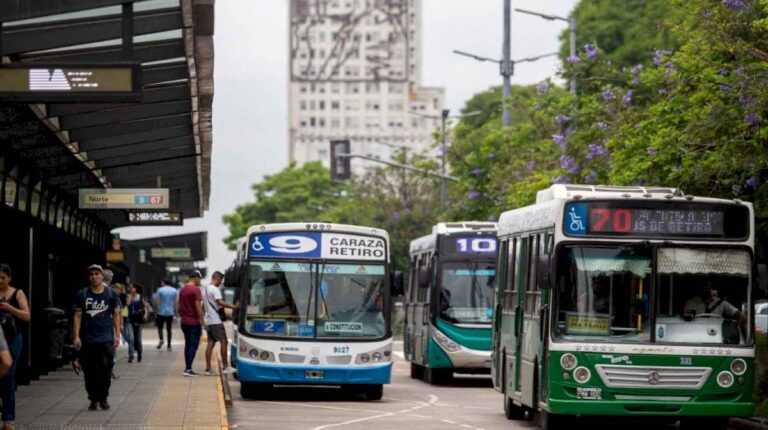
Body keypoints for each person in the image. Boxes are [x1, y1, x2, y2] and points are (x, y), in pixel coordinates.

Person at [73, 265, 121, 411]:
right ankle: (93, 399)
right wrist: (76, 336)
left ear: (102, 276)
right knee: (90, 372)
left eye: (97, 274)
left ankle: (103, 398)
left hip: (106, 338)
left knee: (106, 369)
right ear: (89, 278)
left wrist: (117, 334)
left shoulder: (111, 293)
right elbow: (77, 316)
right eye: (91, 274)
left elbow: (116, 314)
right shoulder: (83, 294)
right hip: (88, 339)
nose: (94, 276)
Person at [0, 264, 29, 430]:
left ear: (9, 278)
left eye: (3, 278)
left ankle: (8, 419)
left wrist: (10, 308)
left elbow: (27, 315)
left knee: (8, 375)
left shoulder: (17, 293)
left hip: (12, 338)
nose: (0, 281)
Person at [203, 272, 240, 376]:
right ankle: (225, 367)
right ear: (217, 278)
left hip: (209, 321)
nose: (221, 283)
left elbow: (203, 306)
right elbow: (220, 302)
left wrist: (203, 320)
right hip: (216, 321)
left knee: (210, 344)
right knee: (224, 342)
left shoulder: (205, 289)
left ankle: (208, 369)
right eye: (221, 280)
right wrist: (234, 307)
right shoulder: (214, 289)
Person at [179, 271, 205, 377]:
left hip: (184, 321)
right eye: (199, 278)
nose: (200, 281)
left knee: (188, 344)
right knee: (194, 345)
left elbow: (179, 305)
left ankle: (188, 367)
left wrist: (182, 315)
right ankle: (188, 369)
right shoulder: (196, 289)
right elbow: (198, 306)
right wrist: (202, 320)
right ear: (195, 278)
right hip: (193, 322)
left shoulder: (182, 289)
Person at [126, 283, 148, 363]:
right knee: (131, 338)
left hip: (138, 320)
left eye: (132, 288)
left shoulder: (140, 297)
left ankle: (139, 354)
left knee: (138, 339)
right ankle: (131, 356)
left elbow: (145, 306)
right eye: (130, 288)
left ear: (136, 288)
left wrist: (145, 314)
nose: (131, 289)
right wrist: (131, 296)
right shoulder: (128, 296)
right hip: (130, 320)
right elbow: (127, 304)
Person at [154, 278, 177, 350]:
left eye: (161, 282)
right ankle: (169, 345)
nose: (161, 283)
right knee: (169, 329)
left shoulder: (160, 290)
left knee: (160, 327)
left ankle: (161, 340)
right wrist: (176, 312)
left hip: (161, 312)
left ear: (164, 282)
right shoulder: (174, 290)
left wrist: (156, 310)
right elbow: (176, 302)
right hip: (170, 312)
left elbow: (157, 301)